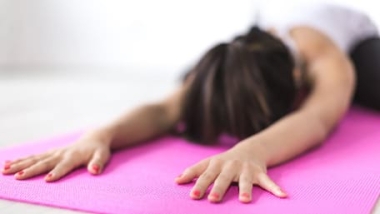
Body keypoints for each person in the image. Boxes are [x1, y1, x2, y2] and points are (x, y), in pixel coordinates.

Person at [2, 3, 380, 204]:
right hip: (258, 42)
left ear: (297, 86)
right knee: (197, 79)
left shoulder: (328, 62)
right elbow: (164, 110)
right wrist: (98, 136)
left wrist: (252, 150)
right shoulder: (235, 59)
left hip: (359, 41)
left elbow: (316, 119)